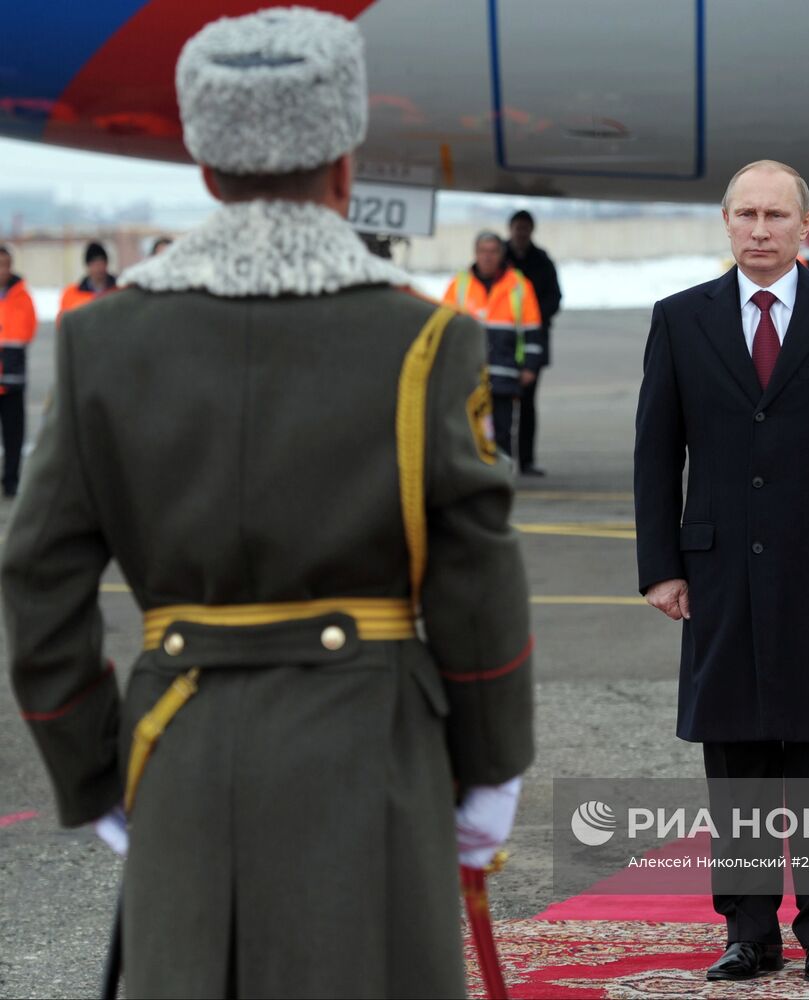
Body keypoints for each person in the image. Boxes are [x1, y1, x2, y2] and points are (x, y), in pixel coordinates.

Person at [3, 9, 534, 997]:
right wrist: (491, 764)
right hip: (376, 746)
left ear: (204, 169)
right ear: (344, 162)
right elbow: (476, 572)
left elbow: (37, 572)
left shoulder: (101, 343)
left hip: (178, 745)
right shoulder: (428, 340)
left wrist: (88, 767)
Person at [634, 160, 809, 985]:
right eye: (745, 214)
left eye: (774, 215)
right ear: (726, 223)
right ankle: (747, 932)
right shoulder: (679, 319)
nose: (759, 229)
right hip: (716, 573)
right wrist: (660, 566)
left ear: (806, 224)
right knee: (738, 761)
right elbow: (656, 454)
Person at [442, 232, 542, 461]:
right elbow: (444, 330)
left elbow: (532, 331)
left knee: (502, 432)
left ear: (501, 254)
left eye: (492, 251)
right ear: (475, 253)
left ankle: (502, 478)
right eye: (483, 251)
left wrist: (530, 367)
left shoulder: (518, 286)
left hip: (504, 374)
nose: (487, 257)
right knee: (467, 431)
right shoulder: (459, 286)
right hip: (467, 376)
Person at [504, 209, 562, 475]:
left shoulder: (542, 260)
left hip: (532, 341)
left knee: (527, 404)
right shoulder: (498, 257)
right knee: (498, 404)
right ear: (511, 229)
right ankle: (499, 460)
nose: (521, 233)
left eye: (525, 228)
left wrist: (532, 316)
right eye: (517, 228)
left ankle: (525, 461)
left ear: (531, 231)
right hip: (501, 342)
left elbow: (555, 297)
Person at [0, 244, 37, 497]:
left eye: (6, 264)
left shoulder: (22, 295)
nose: (3, 270)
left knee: (14, 435)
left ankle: (11, 480)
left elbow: (27, 330)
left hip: (13, 376)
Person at [58, 241, 117, 321]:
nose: (99, 268)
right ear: (88, 266)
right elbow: (62, 323)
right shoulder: (71, 293)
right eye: (95, 264)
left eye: (102, 263)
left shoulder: (119, 290)